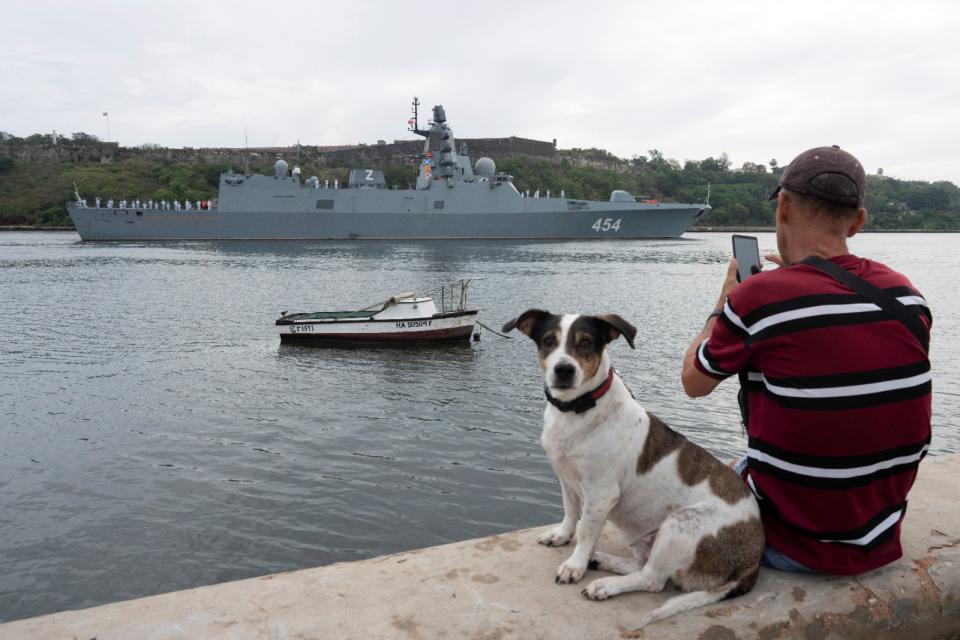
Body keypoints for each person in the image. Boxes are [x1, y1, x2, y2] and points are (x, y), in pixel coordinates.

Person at [681, 146, 932, 575]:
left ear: (782, 207)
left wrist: (724, 303)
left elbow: (693, 383)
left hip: (791, 547)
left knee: (706, 479)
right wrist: (805, 282)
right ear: (858, 221)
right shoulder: (907, 295)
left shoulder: (756, 298)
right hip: (878, 537)